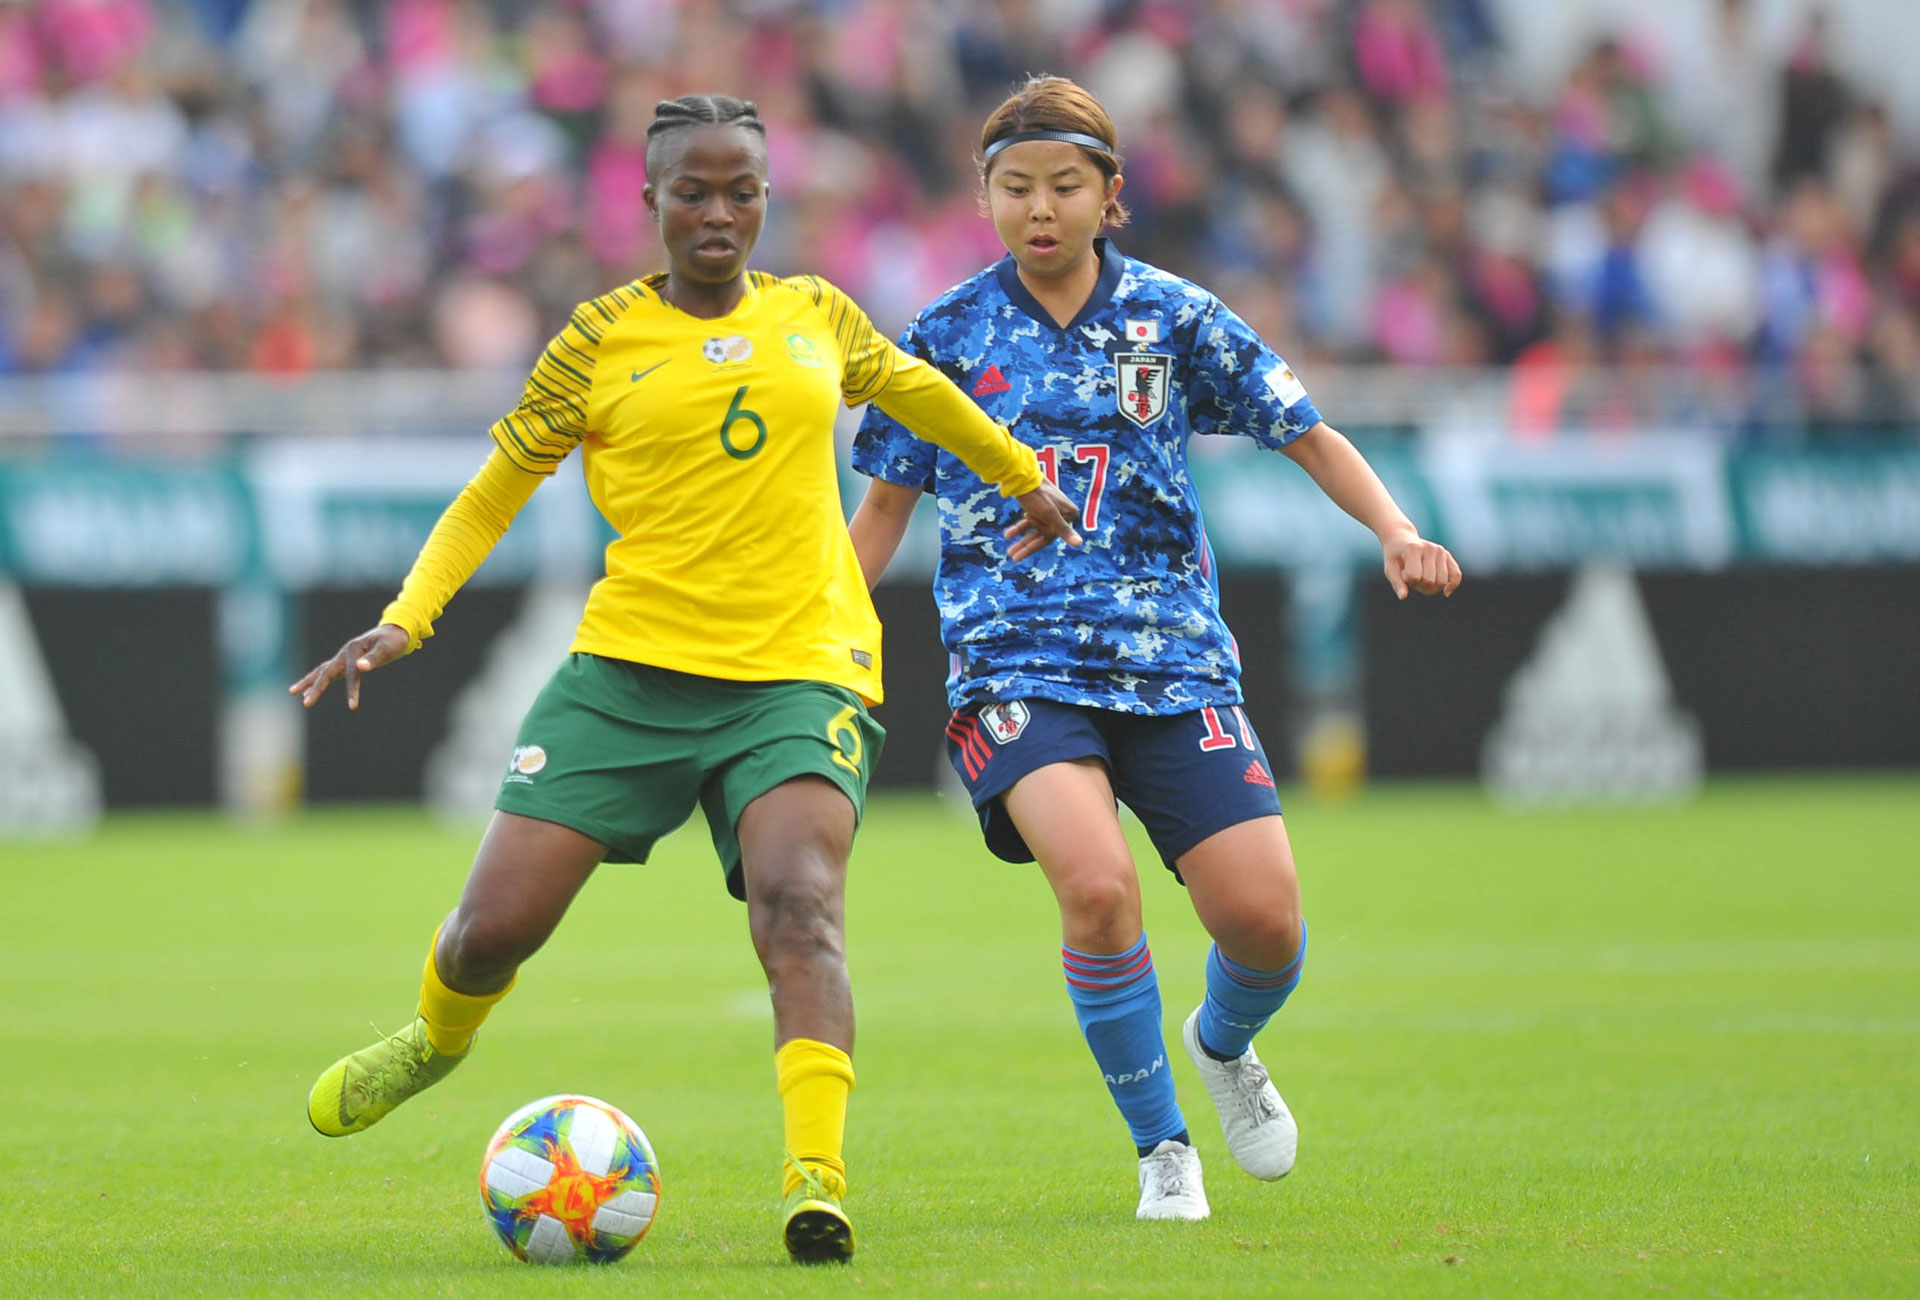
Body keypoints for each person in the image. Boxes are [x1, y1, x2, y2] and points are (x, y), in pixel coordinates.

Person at [293, 92, 1080, 1265]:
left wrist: (1022, 475)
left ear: (768, 198)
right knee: (486, 935)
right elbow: (495, 488)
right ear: (650, 201)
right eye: (695, 192)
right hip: (630, 676)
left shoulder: (818, 314)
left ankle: (816, 1177)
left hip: (801, 671)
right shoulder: (597, 341)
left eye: (743, 190)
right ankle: (436, 1038)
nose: (721, 213)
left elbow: (916, 390)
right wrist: (409, 619)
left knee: (799, 906)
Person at [847, 76, 1460, 1222]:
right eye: (1015, 186)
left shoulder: (1173, 319)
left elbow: (1305, 431)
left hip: (1170, 658)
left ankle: (1223, 1047)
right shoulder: (939, 337)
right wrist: (821, 625)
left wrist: (1397, 528)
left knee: (1266, 923)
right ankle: (1161, 1148)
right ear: (984, 198)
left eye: (1064, 185)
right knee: (1096, 887)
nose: (1040, 208)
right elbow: (882, 512)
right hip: (1014, 662)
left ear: (1110, 196)